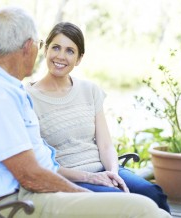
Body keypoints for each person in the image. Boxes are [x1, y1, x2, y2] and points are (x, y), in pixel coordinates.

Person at [0, 6, 171, 218]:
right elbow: (31, 176)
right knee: (141, 208)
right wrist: (86, 196)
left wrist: (96, 178)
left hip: (31, 193)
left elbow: (39, 167)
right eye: (43, 44)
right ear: (28, 46)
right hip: (14, 204)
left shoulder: (1, 88)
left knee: (154, 209)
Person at [26, 22, 171, 214]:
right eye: (56, 47)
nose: (61, 56)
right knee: (121, 202)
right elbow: (39, 163)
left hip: (104, 168)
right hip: (70, 179)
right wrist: (89, 177)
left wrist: (112, 173)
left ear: (79, 59)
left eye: (70, 51)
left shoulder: (90, 90)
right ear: (46, 50)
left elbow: (105, 145)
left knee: (152, 192)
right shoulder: (28, 97)